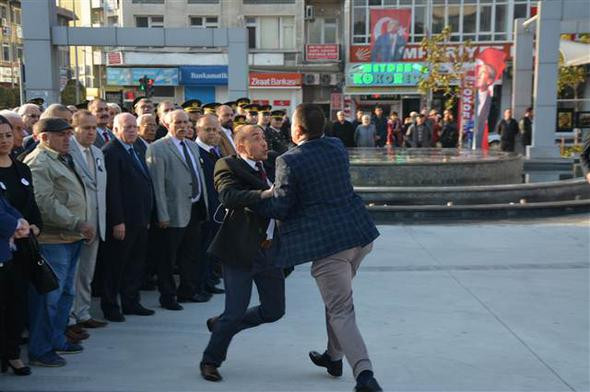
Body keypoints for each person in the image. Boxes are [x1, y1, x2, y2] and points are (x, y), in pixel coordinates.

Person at [254, 104, 382, 392]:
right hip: (360, 236)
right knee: (338, 300)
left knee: (340, 309)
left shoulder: (289, 160)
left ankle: (365, 375)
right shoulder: (336, 146)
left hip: (329, 247)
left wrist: (255, 198)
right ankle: (333, 357)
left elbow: (282, 207)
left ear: (296, 129)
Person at [200, 124, 285, 382]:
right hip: (240, 250)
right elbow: (228, 196)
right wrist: (264, 194)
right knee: (235, 310)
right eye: (256, 138)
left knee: (274, 311)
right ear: (241, 146)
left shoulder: (273, 164)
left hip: (271, 251)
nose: (264, 142)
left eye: (263, 137)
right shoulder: (228, 165)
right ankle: (210, 360)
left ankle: (222, 325)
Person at [24, 118, 95, 367]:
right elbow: (45, 204)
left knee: (65, 294)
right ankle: (40, 349)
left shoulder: (62, 157)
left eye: (68, 133)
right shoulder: (39, 162)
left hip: (70, 237)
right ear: (44, 137)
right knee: (48, 299)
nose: (68, 138)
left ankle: (56, 339)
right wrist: (77, 223)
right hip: (53, 240)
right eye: (61, 135)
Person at [146, 109, 209, 309]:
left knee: (190, 254)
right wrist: (162, 214)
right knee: (167, 257)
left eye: (186, 122)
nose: (183, 126)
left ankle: (187, 291)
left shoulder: (192, 145)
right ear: (167, 125)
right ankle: (168, 296)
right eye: (178, 123)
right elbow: (157, 184)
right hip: (172, 212)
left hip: (194, 207)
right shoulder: (158, 148)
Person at [101, 113, 155, 322]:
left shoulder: (137, 149)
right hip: (123, 221)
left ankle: (131, 302)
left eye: (134, 127)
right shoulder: (111, 152)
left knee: (135, 264)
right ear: (115, 130)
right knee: (116, 266)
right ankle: (111, 306)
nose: (132, 130)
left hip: (140, 218)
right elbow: (112, 190)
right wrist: (117, 221)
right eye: (127, 127)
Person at [0, 115, 41, 376]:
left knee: (17, 304)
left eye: (7, 135)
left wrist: (34, 225)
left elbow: (31, 202)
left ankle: (13, 353)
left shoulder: (21, 167)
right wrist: (15, 226)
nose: (4, 141)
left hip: (23, 248)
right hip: (5, 246)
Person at [67, 111, 108, 330]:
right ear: (74, 129)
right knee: (72, 275)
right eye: (86, 128)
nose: (91, 132)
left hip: (96, 223)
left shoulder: (98, 153)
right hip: (76, 225)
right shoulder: (67, 152)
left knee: (86, 273)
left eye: (93, 128)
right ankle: (70, 319)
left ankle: (83, 313)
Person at [194, 115, 225, 299]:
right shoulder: (195, 151)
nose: (213, 133)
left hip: (217, 207)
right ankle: (199, 285)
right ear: (198, 130)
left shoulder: (216, 151)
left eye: (215, 130)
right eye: (208, 129)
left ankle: (209, 281)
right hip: (203, 209)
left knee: (212, 249)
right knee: (201, 250)